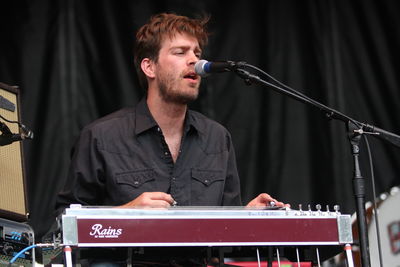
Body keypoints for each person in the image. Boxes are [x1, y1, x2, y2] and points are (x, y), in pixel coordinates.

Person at [55, 13, 288, 266]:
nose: (194, 61)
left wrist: (248, 216)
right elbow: (62, 228)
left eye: (197, 53)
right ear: (149, 67)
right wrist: (124, 214)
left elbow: (226, 233)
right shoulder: (101, 136)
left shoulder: (217, 138)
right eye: (180, 52)